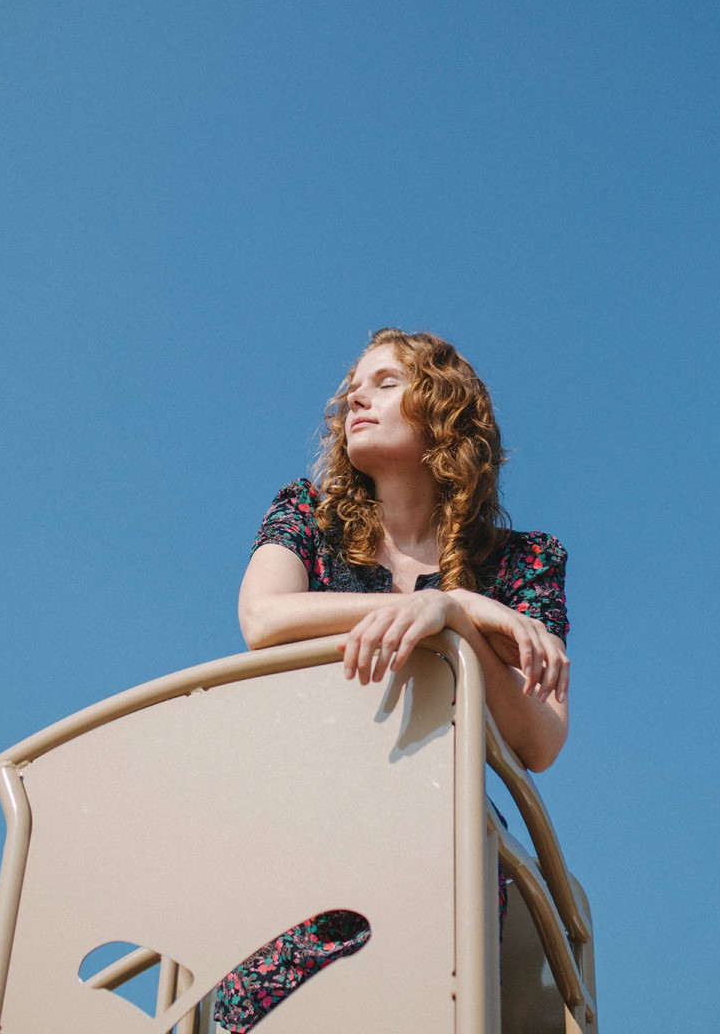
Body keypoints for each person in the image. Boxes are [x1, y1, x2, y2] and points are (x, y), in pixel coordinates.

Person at [214, 328, 570, 1032]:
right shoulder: (303, 517)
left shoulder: (525, 562)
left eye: (385, 383)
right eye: (354, 385)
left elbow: (541, 739)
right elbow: (262, 618)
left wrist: (454, 618)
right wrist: (445, 604)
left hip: (438, 852)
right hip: (293, 828)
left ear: (444, 411)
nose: (356, 395)